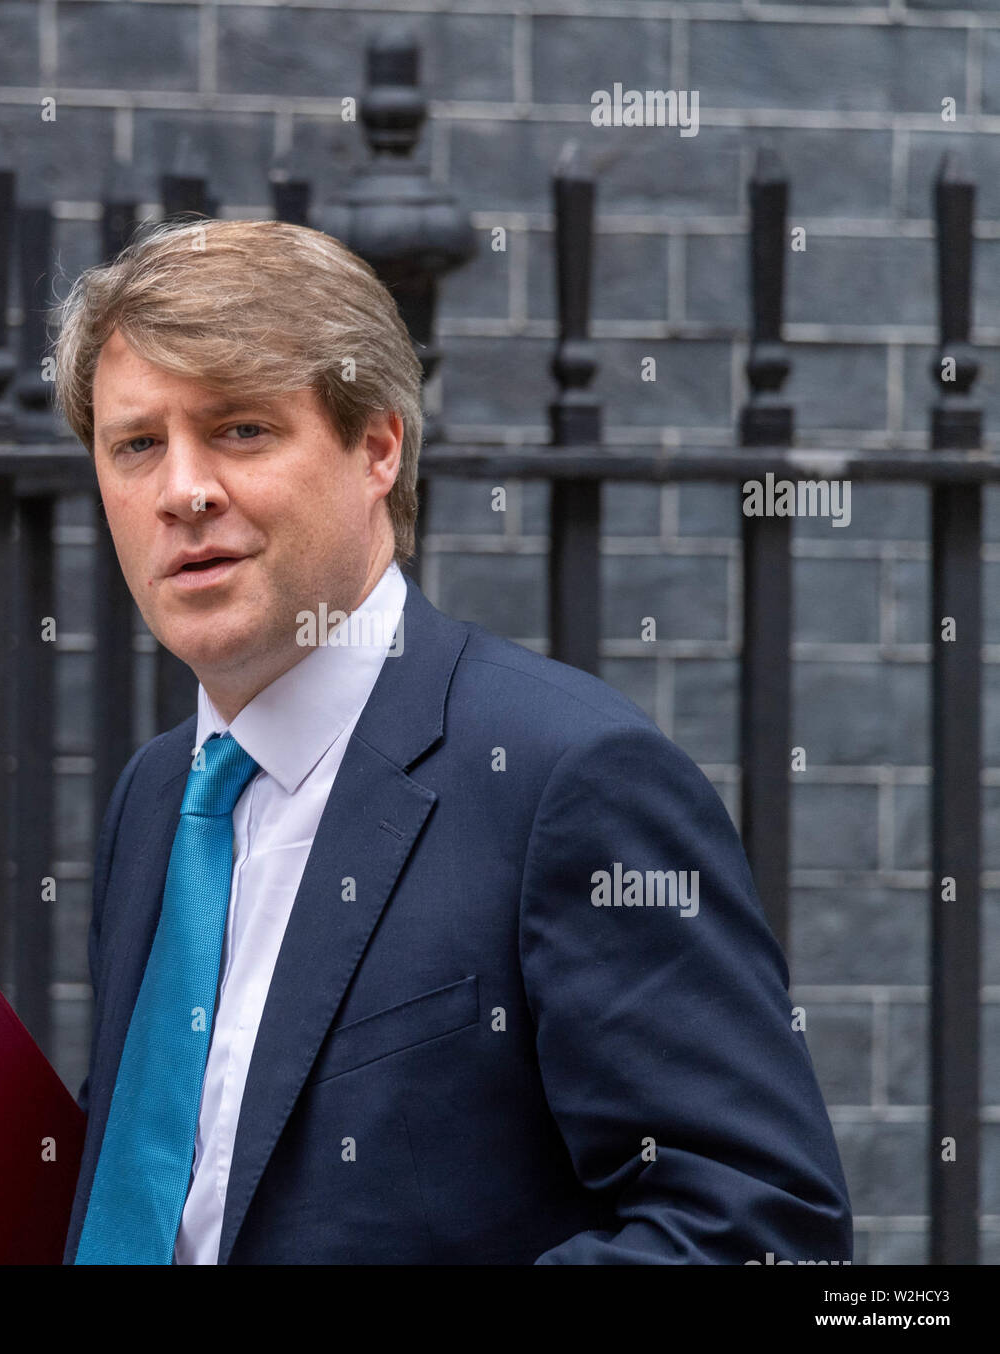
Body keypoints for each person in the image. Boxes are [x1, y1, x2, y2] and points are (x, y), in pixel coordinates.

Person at [48, 217, 853, 1265]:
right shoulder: (158, 797)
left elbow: (757, 1228)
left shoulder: (569, 777)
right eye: (138, 444)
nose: (182, 489)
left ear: (376, 446)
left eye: (241, 429)